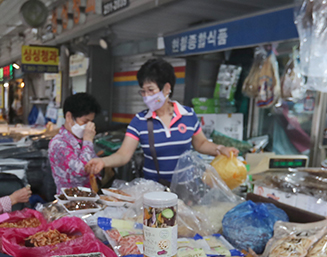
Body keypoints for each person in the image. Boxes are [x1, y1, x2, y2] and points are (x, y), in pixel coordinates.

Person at [86, 58, 238, 184]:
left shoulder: (188, 115)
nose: (146, 96)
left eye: (151, 90)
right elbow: (123, 155)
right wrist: (103, 162)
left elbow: (201, 144)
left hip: (186, 190)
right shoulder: (139, 121)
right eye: (143, 91)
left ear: (166, 88)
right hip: (155, 192)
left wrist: (221, 149)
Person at [48, 93, 101, 193]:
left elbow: (94, 167)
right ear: (69, 117)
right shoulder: (58, 143)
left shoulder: (81, 141)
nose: (87, 127)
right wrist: (88, 141)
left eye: (91, 122)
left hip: (88, 198)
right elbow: (81, 171)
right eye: (85, 122)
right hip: (69, 202)